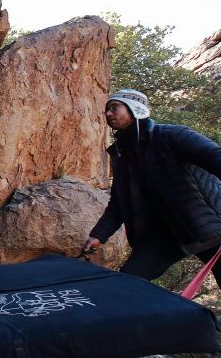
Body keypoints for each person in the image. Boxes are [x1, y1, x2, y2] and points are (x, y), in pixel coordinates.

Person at [82, 89, 221, 287]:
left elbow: (215, 157)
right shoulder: (121, 155)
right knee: (128, 282)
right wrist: (98, 235)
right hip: (162, 236)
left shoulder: (172, 136)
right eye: (106, 110)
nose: (108, 114)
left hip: (207, 228)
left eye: (114, 107)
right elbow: (118, 204)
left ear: (135, 108)